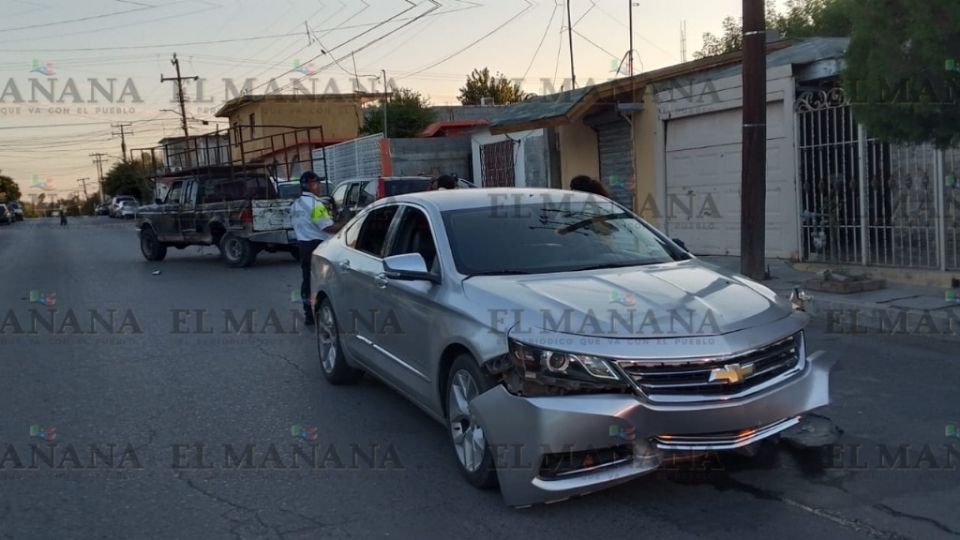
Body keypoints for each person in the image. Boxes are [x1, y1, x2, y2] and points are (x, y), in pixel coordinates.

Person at [290, 171, 337, 326]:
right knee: (321, 282)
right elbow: (328, 227)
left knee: (306, 280)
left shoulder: (295, 205)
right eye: (317, 183)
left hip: (303, 246)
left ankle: (308, 314)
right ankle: (320, 313)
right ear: (310, 185)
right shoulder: (315, 205)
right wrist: (348, 225)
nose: (319, 186)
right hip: (317, 246)